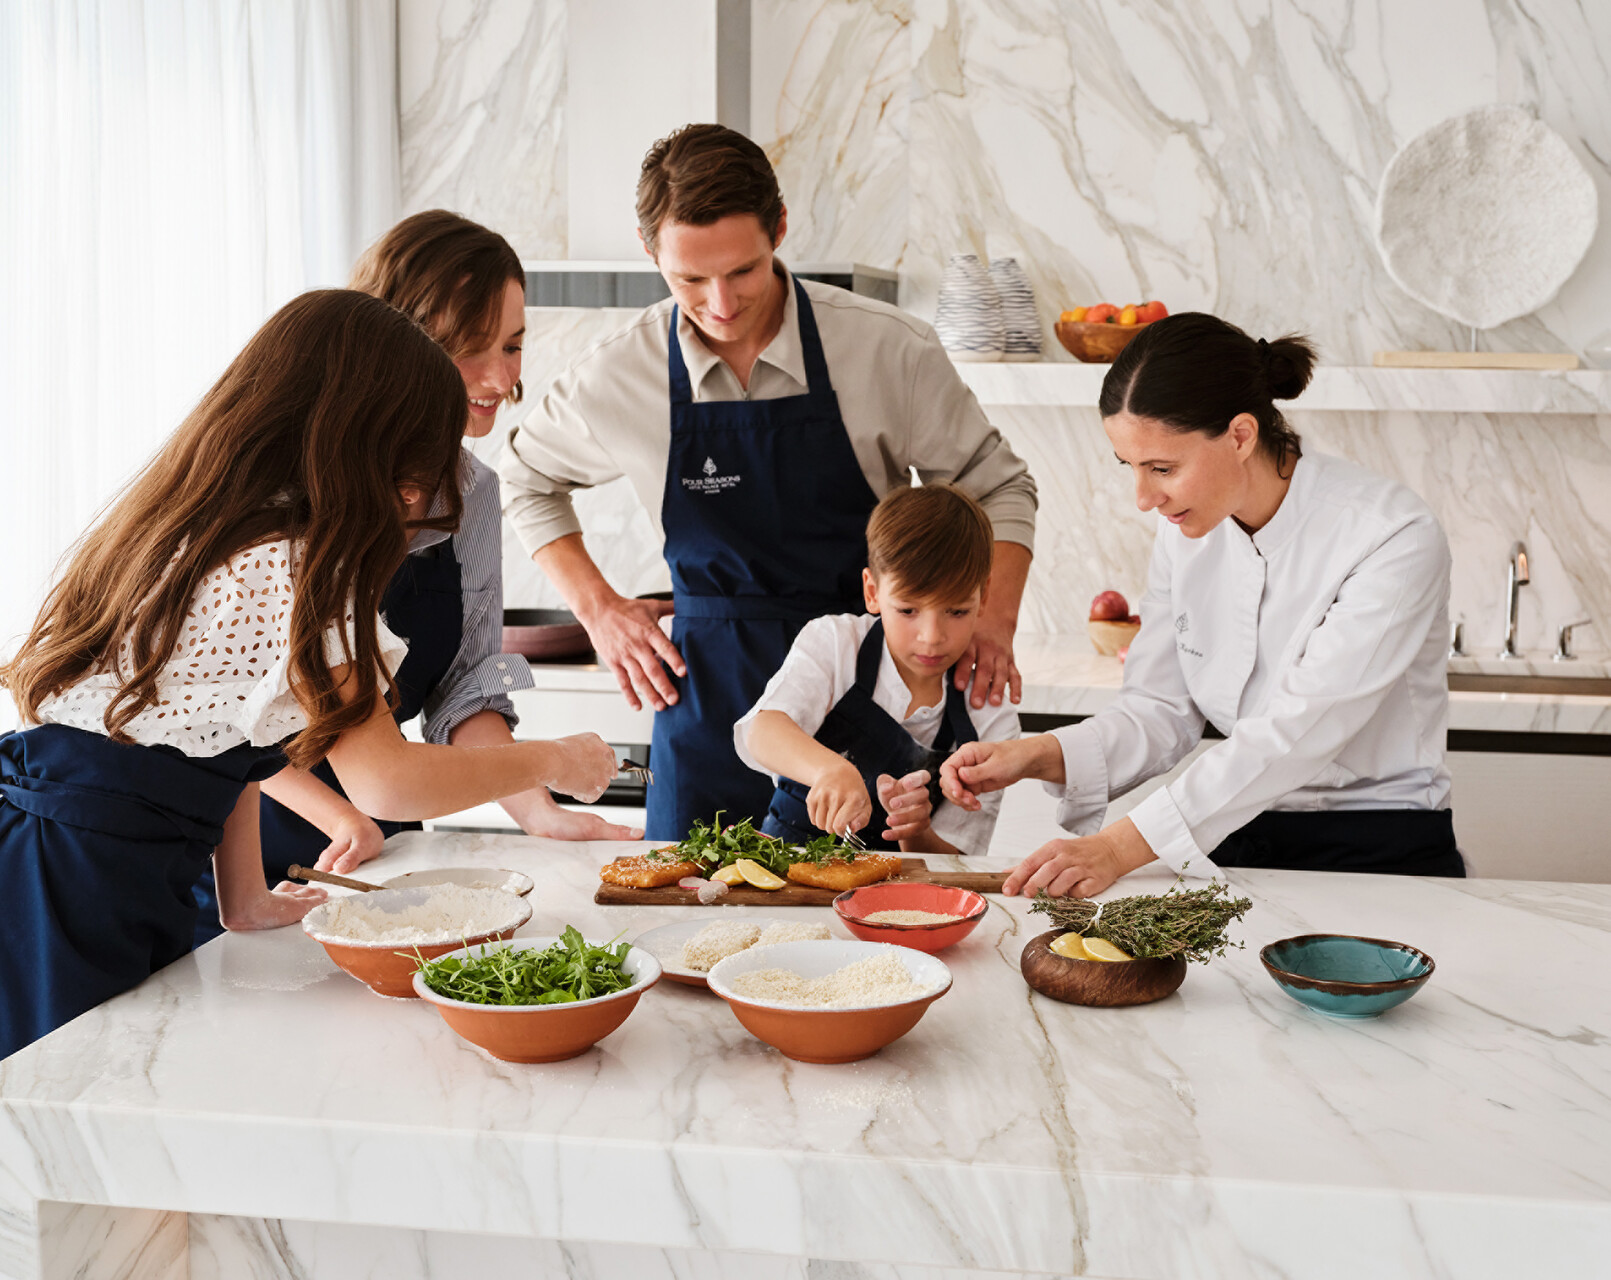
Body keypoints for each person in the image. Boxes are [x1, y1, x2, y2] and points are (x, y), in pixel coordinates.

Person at [0, 290, 617, 1280]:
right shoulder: (301, 571)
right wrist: (551, 761)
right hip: (60, 892)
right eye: (413, 462)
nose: (422, 495)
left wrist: (240, 898)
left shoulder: (198, 526)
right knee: (44, 1192)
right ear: (354, 442)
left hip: (54, 861)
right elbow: (388, 776)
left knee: (82, 1193)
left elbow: (222, 740)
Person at [498, 123, 1038, 839]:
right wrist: (598, 608)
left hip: (861, 687)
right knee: (687, 920)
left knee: (866, 927)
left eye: (742, 271)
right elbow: (525, 478)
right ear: (647, 247)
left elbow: (1000, 486)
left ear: (779, 229)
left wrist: (992, 620)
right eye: (689, 279)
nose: (720, 304)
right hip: (705, 702)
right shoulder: (617, 373)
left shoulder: (884, 349)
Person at [196, 214, 642, 943]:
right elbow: (219, 715)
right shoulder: (291, 514)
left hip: (385, 826)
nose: (502, 379)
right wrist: (345, 811)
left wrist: (538, 809)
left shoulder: (475, 489)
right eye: (471, 350)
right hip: (243, 830)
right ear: (394, 343)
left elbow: (466, 683)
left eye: (513, 345)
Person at [942, 312, 1462, 898]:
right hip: (1236, 834)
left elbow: (1296, 735)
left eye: (1162, 468)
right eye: (1131, 468)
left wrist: (1116, 848)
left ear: (1241, 435)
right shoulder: (1186, 529)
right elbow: (1160, 708)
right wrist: (1038, 754)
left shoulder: (1390, 536)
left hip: (1379, 846)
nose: (1143, 498)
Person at [735, 483, 1021, 855]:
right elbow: (763, 731)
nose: (931, 637)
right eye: (907, 610)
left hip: (896, 903)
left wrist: (915, 832)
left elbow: (959, 861)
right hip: (786, 874)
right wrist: (830, 769)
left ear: (983, 597)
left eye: (957, 611)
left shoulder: (990, 715)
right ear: (872, 592)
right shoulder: (837, 643)